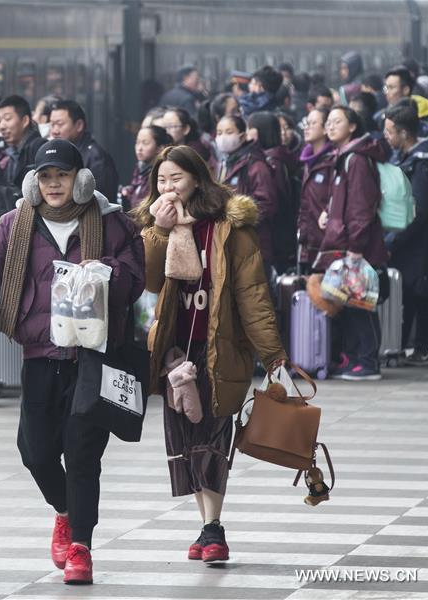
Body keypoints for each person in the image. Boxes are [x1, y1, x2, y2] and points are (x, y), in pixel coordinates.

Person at [0, 138, 144, 584]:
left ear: (81, 179)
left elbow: (135, 276)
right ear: (35, 181)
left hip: (92, 356)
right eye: (46, 176)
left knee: (83, 451)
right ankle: (65, 511)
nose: (54, 184)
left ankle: (81, 548)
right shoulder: (17, 223)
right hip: (40, 353)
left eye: (63, 175)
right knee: (35, 451)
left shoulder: (111, 223)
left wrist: (104, 273)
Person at [133, 144, 286, 565]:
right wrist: (159, 233)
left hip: (220, 349)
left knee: (214, 438)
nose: (168, 188)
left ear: (197, 179)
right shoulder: (155, 225)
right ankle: (205, 525)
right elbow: (146, 281)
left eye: (176, 179)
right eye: (161, 181)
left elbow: (252, 294)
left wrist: (273, 355)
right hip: (173, 352)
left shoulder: (228, 228)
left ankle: (213, 527)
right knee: (186, 441)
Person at [318, 105, 389, 381]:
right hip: (346, 242)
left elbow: (361, 206)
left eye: (337, 121)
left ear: (352, 127)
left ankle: (368, 362)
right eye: (328, 121)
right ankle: (355, 358)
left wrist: (356, 248)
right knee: (350, 301)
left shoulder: (357, 159)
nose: (330, 126)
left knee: (362, 303)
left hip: (358, 246)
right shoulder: (345, 157)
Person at [383, 99, 428, 363]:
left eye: (389, 132)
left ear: (404, 133)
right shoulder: (406, 158)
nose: (386, 137)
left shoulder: (425, 162)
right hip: (406, 240)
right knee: (408, 291)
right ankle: (407, 347)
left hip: (421, 241)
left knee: (421, 290)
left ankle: (420, 347)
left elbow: (418, 211)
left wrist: (393, 239)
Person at [214, 115, 279, 275]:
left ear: (242, 135)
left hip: (253, 246)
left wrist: (237, 215)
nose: (223, 137)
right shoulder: (224, 164)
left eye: (229, 132)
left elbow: (267, 204)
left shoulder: (255, 165)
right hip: (227, 245)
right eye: (219, 132)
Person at [247, 111, 296, 273]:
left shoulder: (271, 162)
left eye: (249, 128)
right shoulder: (277, 157)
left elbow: (274, 200)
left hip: (276, 233)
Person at [49, 100, 119, 202]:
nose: (54, 131)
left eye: (59, 124)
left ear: (79, 125)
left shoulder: (96, 157)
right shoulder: (57, 152)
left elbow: (101, 200)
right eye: (52, 124)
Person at [297, 107, 335, 270]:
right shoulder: (308, 163)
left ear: (326, 129)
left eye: (313, 123)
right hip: (308, 242)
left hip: (327, 242)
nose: (307, 127)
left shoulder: (333, 161)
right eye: (307, 123)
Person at [120, 125, 172, 210]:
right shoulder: (140, 167)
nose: (139, 148)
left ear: (160, 148)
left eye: (145, 143)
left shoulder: (160, 172)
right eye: (137, 142)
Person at [0, 94, 43, 188]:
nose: (1, 126)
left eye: (7, 119)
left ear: (25, 121)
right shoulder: (10, 152)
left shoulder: (38, 147)